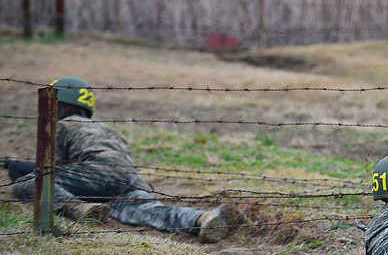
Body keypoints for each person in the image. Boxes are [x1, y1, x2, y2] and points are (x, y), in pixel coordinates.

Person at [8, 76, 231, 243]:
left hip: (92, 173)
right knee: (149, 211)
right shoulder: (107, 130)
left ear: (58, 104)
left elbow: (51, 171)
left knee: (29, 183)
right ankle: (201, 218)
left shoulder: (62, 125)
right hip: (128, 179)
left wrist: (22, 170)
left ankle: (77, 207)